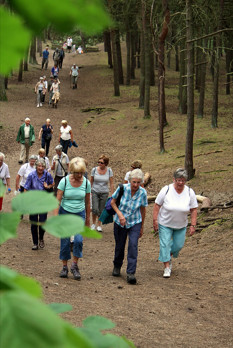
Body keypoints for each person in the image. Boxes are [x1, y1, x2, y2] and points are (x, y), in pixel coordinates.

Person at [153, 168, 198, 278]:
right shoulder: (166, 190)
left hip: (181, 225)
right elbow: (157, 205)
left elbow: (194, 209)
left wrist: (193, 225)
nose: (180, 182)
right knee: (165, 244)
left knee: (178, 245)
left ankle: (166, 255)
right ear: (174, 179)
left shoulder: (189, 192)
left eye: (183, 180)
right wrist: (155, 220)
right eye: (178, 180)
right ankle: (167, 267)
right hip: (165, 223)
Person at [55, 157, 91, 280]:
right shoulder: (64, 182)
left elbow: (87, 202)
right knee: (65, 241)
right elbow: (57, 200)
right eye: (77, 173)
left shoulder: (86, 183)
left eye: (81, 172)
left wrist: (87, 220)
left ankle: (74, 265)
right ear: (71, 171)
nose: (80, 175)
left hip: (79, 214)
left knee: (78, 240)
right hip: (65, 213)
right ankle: (64, 267)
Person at [111, 169, 147, 285]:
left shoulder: (142, 193)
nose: (135, 185)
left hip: (135, 222)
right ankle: (117, 265)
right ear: (130, 181)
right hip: (120, 222)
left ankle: (131, 273)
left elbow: (143, 209)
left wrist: (141, 226)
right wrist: (120, 214)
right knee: (120, 245)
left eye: (138, 182)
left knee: (133, 245)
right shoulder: (122, 188)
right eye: (134, 182)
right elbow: (113, 202)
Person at [24, 158, 54, 250]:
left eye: (42, 166)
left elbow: (52, 184)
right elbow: (26, 188)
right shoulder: (31, 175)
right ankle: (35, 243)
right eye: (39, 166)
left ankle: (41, 237)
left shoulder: (47, 175)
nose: (41, 168)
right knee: (33, 223)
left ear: (44, 167)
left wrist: (47, 186)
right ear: (36, 166)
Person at [90, 154, 114, 232]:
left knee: (101, 210)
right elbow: (91, 181)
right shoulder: (94, 170)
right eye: (99, 162)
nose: (99, 164)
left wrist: (112, 194)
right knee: (95, 208)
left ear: (106, 164)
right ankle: (93, 224)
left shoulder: (109, 170)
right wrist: (89, 190)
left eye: (101, 163)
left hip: (104, 192)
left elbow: (111, 183)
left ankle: (99, 225)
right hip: (95, 191)